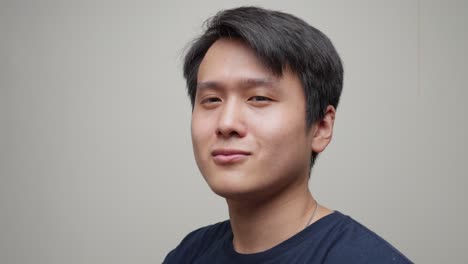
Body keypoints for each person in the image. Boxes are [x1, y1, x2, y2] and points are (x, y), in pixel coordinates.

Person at [164, 6, 412, 264]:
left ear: (321, 127)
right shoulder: (188, 254)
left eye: (258, 98)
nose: (226, 123)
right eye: (212, 100)